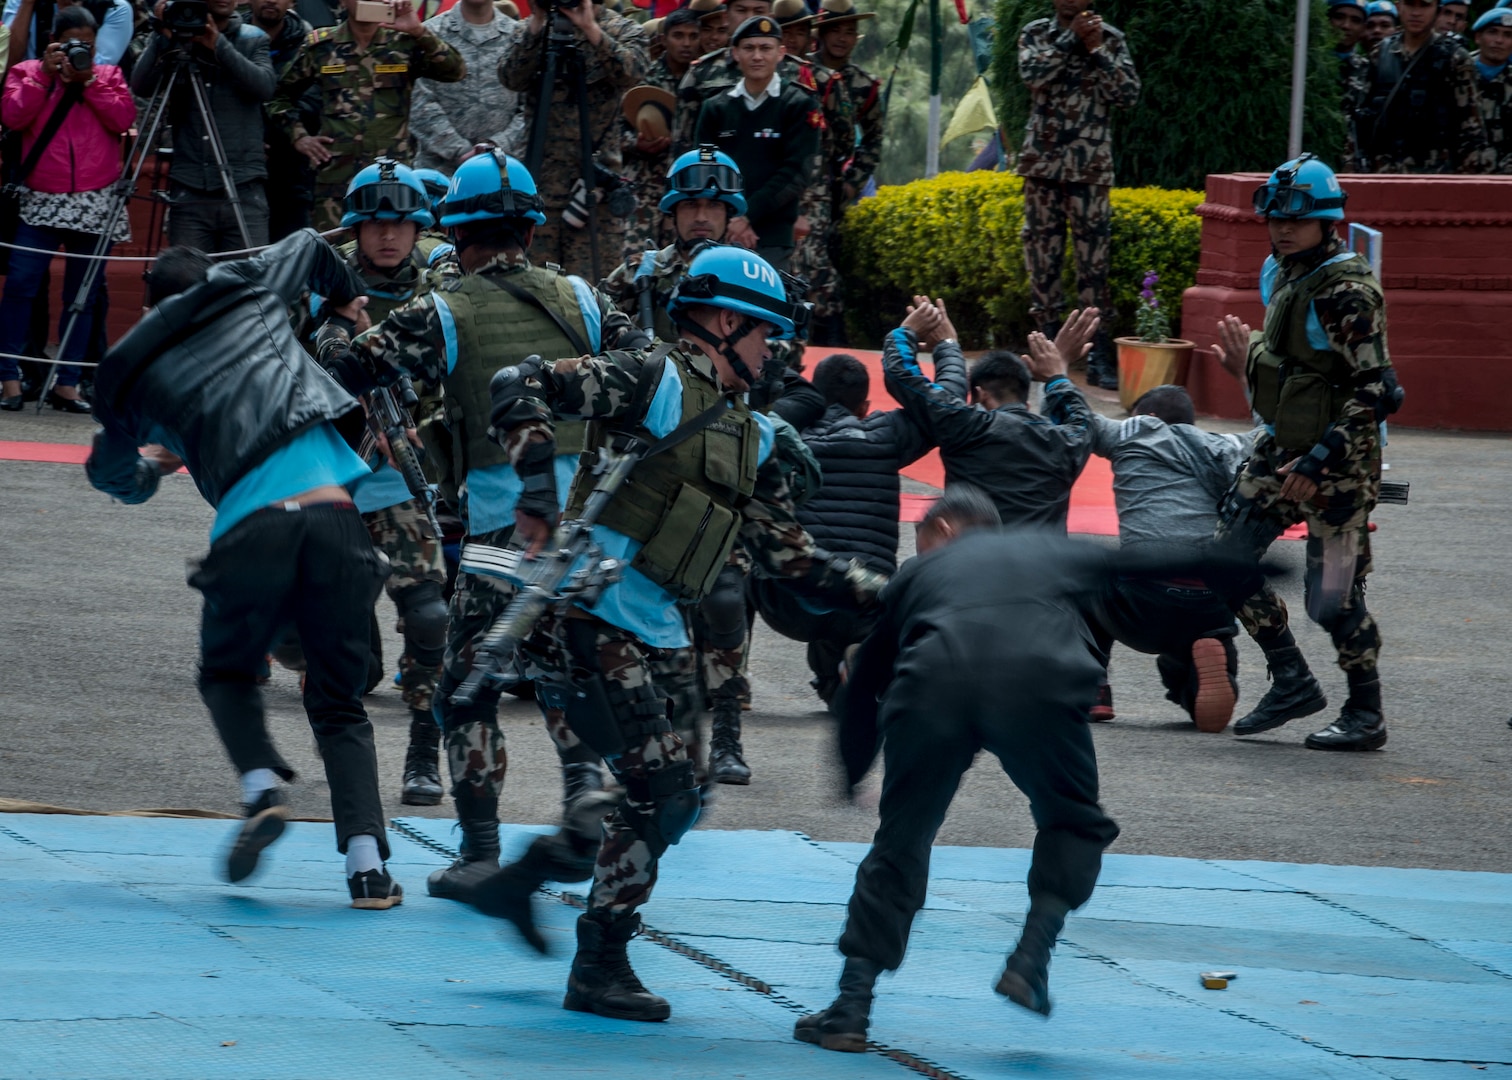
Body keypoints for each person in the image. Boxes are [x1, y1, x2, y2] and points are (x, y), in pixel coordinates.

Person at [455, 243, 881, 1021]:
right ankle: (599, 965)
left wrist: (898, 597)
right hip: (585, 616)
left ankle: (526, 882)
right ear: (722, 323)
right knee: (660, 791)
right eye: (764, 333)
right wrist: (538, 497)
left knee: (679, 803)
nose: (774, 350)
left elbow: (793, 561)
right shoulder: (650, 377)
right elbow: (517, 385)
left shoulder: (750, 436)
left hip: (660, 636)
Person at [314, 150, 650, 903]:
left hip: (503, 537)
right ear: (530, 228)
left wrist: (339, 325)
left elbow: (350, 372)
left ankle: (479, 853)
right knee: (572, 671)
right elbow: (641, 366)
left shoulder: (444, 310)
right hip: (591, 533)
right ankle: (581, 808)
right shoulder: (581, 298)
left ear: (454, 233)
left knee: (468, 690)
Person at [83, 232, 403, 908]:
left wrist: (148, 472)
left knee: (228, 673)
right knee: (339, 702)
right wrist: (346, 301)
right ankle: (367, 869)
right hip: (336, 518)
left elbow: (114, 474)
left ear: (150, 306)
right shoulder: (250, 288)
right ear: (210, 277)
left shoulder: (130, 369)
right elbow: (316, 246)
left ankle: (261, 790)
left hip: (252, 532)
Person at [794, 485, 1123, 1051]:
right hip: (1036, 689)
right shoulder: (1045, 555)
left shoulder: (919, 576)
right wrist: (1241, 564)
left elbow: (868, 678)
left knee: (900, 843)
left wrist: (852, 771)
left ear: (943, 534)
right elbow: (1141, 573)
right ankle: (1031, 957)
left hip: (933, 688)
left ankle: (851, 1008)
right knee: (1073, 820)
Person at [1212, 155, 1402, 751]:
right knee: (1227, 560)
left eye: (1299, 220)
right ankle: (1291, 678)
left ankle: (1365, 714)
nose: (1283, 229)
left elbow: (1379, 391)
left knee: (1331, 597)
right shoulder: (1282, 272)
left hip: (1339, 465)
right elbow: (1294, 368)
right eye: (1275, 219)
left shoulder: (1347, 293)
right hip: (1282, 448)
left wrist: (1319, 461)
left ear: (1329, 221)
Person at [1021, 318, 1252, 732]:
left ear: (1143, 415)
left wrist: (1057, 372)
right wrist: (1246, 374)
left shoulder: (1132, 434)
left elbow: (1065, 429)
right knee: (1194, 651)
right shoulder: (1224, 447)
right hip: (1210, 602)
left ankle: (1093, 688)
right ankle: (1210, 665)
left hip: (1142, 602)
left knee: (1081, 577)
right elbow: (1276, 435)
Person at [328, 159, 451, 806]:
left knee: (430, 612)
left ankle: (423, 751)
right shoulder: (320, 286)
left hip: (400, 474)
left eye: (399, 224)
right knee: (315, 625)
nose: (386, 237)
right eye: (374, 224)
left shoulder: (441, 293)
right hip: (327, 471)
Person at [749, 343, 947, 709]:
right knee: (849, 609)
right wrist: (928, 345)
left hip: (790, 605)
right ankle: (856, 669)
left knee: (741, 552)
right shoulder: (888, 433)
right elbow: (943, 406)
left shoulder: (781, 431)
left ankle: (728, 683)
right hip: (867, 601)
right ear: (865, 407)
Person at [0, 5, 134, 414]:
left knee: (84, 296)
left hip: (95, 199)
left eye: (89, 46)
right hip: (40, 198)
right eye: (73, 44)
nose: (82, 51)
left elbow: (123, 118)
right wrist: (44, 74)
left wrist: (89, 80)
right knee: (21, 286)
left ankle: (68, 384)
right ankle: (8, 380)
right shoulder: (26, 72)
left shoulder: (108, 75)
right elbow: (12, 115)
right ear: (53, 44)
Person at [882, 298, 1094, 531]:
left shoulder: (969, 426)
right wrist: (1058, 372)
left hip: (975, 563)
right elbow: (1079, 416)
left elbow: (901, 374)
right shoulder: (1066, 442)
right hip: (1046, 565)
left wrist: (912, 334)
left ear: (980, 395)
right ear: (1026, 399)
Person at [1015, 0, 1139, 391]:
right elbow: (1032, 74)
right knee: (1042, 259)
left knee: (1094, 265)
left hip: (1090, 168)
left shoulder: (1111, 39)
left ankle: (1097, 353)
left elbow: (1128, 95)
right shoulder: (1037, 34)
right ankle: (1050, 347)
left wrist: (1097, 50)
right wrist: (1071, 41)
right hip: (1043, 166)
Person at [269, 0, 466, 231]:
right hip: (336, 181)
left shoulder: (402, 42)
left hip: (392, 178)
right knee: (334, 255)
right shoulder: (322, 45)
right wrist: (299, 137)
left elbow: (456, 71)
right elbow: (277, 97)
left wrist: (419, 30)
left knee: (389, 247)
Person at [496, 0, 648, 279]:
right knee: (535, 287)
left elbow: (634, 71)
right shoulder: (530, 29)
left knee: (595, 291)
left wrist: (590, 28)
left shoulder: (618, 27)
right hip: (540, 189)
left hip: (594, 191)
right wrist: (537, 24)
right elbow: (509, 77)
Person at [132, 0, 276, 251]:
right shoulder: (176, 39)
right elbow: (141, 85)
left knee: (249, 283)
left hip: (243, 186)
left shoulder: (254, 39)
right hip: (190, 189)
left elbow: (264, 87)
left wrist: (218, 45)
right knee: (188, 283)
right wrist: (162, 38)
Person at [693, 15, 820, 272]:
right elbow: (705, 168)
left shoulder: (798, 105)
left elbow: (796, 173)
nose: (757, 56)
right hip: (720, 231)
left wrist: (747, 216)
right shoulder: (715, 107)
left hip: (772, 235)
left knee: (763, 308)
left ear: (781, 53)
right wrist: (732, 220)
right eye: (749, 48)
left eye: (765, 48)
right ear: (735, 53)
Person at [801, 0, 883, 345]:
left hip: (832, 188)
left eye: (849, 31)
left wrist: (851, 184)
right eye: (836, 30)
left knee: (826, 270)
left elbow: (874, 141)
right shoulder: (799, 73)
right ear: (821, 33)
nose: (842, 38)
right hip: (794, 182)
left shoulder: (864, 86)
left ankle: (831, 348)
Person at [601, 144, 743, 339]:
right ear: (673, 213)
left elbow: (775, 347)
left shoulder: (746, 274)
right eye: (690, 204)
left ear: (729, 213)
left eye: (714, 205)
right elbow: (592, 321)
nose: (701, 216)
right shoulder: (640, 270)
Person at [1346, 0, 1490, 173]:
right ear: (1399, 7)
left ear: (1437, 10)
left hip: (1436, 177)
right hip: (1384, 175)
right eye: (1410, 4)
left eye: (1424, 5)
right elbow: (1358, 121)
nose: (1416, 13)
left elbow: (1472, 132)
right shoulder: (1380, 56)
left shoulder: (1455, 59)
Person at [617, 5, 700, 259]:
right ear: (663, 39)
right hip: (644, 189)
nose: (686, 43)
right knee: (635, 262)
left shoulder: (705, 80)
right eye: (678, 36)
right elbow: (613, 133)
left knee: (685, 262)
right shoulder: (643, 78)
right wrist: (636, 144)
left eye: (693, 36)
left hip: (690, 190)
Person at [409, 0, 519, 172]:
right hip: (440, 173)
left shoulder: (518, 37)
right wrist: (461, 151)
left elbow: (532, 106)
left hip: (503, 171)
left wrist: (498, 146)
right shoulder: (429, 35)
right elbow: (418, 102)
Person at [245, 0, 316, 240]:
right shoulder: (228, 38)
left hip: (291, 165)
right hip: (236, 162)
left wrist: (275, 136)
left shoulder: (310, 43)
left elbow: (314, 101)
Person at [5, 0, 132, 68]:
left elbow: (92, 68)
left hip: (85, 101)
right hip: (31, 91)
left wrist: (67, 11)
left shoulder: (115, 8)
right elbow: (8, 61)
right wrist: (27, 3)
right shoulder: (20, 2)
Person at [1471, 7, 1512, 172]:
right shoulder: (1456, 75)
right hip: (1457, 177)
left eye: (1508, 35)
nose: (1499, 40)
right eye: (1493, 32)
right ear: (1478, 37)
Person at [1329, 0, 1370, 101]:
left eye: (1355, 20)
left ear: (1363, 28)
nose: (1346, 26)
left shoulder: (1369, 71)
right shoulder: (1304, 63)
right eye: (1339, 17)